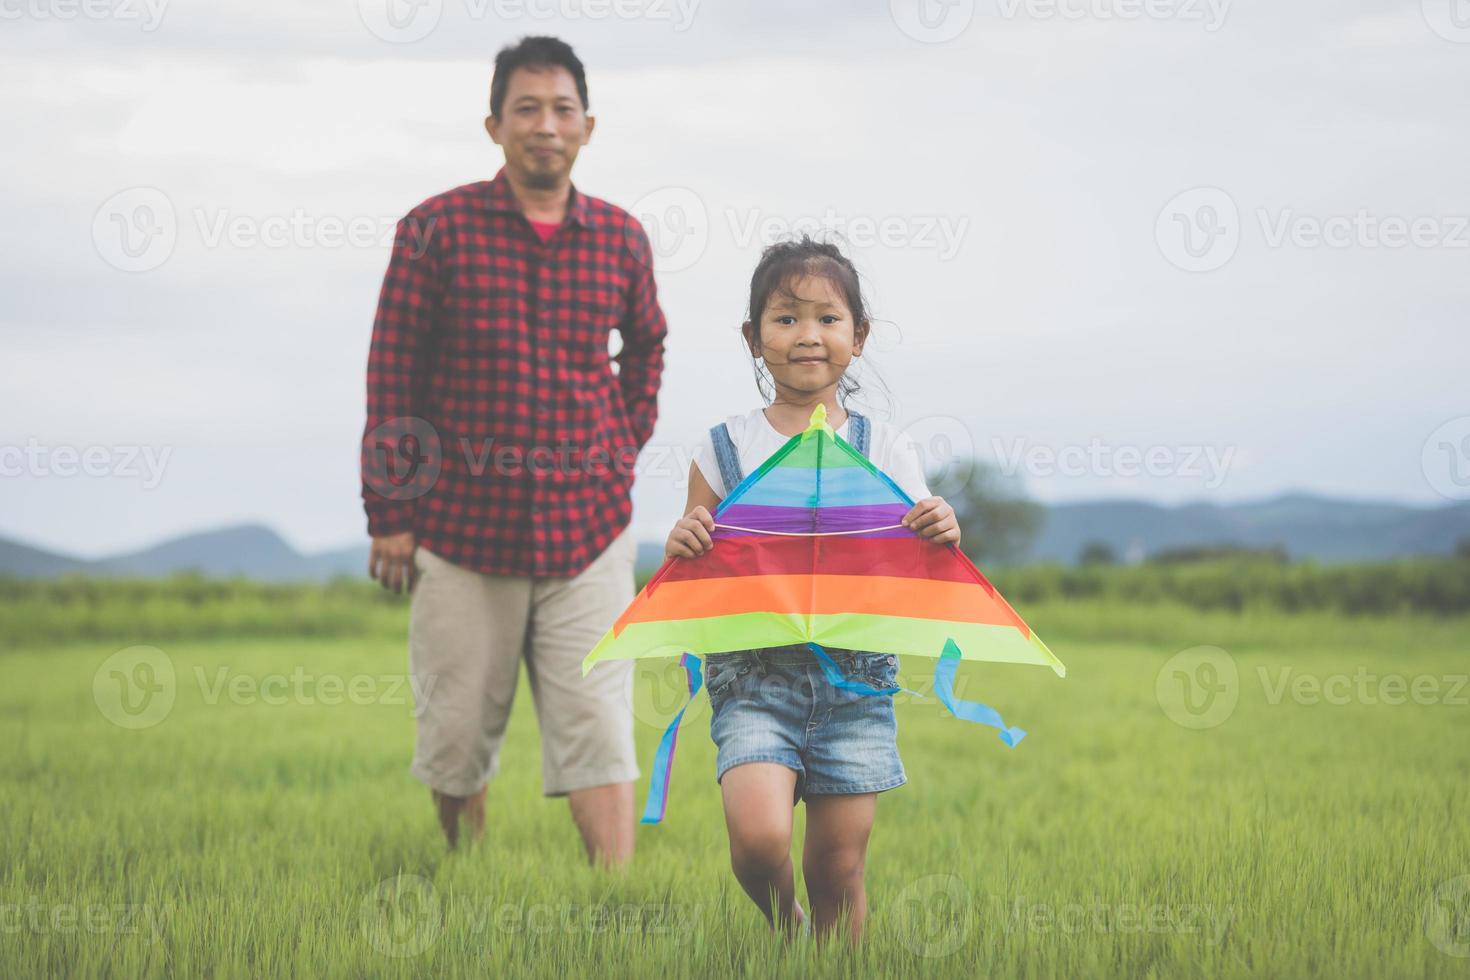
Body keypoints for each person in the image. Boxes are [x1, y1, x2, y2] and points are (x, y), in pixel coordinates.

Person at [360, 36, 667, 864]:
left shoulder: (621, 238)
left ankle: (615, 893)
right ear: (494, 125)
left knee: (599, 723)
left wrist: (621, 442)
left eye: (561, 108)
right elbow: (394, 373)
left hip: (589, 527)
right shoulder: (434, 230)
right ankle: (464, 872)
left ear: (588, 127)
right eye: (526, 108)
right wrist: (390, 513)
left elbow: (648, 346)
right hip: (462, 530)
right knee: (456, 730)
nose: (545, 124)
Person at [665, 237, 961, 943]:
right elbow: (697, 556)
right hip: (754, 680)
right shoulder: (723, 446)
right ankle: (786, 929)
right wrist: (684, 541)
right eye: (786, 318)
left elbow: (921, 554)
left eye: (828, 319)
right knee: (759, 841)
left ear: (857, 338)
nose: (807, 336)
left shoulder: (885, 447)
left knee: (838, 867)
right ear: (753, 337)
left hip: (855, 686)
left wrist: (944, 524)